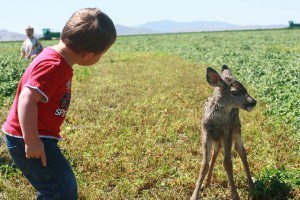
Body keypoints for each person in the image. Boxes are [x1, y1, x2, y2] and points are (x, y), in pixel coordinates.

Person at [2, 8, 116, 199]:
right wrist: (32, 141)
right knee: (61, 189)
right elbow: (27, 99)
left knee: (54, 186)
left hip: (34, 135)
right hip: (28, 138)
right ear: (88, 55)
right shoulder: (53, 66)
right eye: (101, 55)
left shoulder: (56, 59)